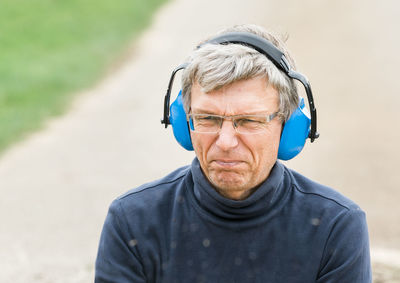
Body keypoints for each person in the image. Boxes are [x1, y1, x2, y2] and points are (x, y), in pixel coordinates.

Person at [95, 24, 371, 283]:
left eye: (249, 121)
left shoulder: (336, 227)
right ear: (184, 122)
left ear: (288, 127)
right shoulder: (133, 221)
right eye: (208, 119)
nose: (225, 142)